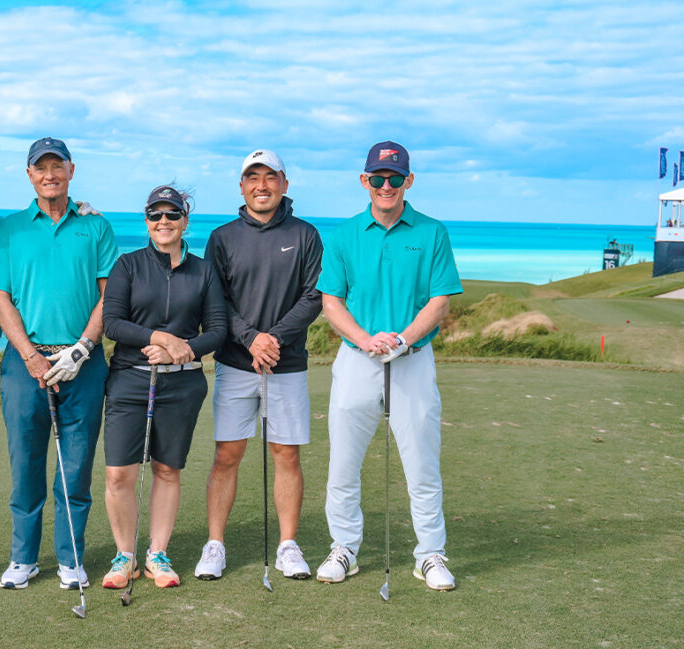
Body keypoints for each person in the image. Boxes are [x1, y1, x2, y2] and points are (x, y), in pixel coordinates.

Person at [315, 140, 462, 591]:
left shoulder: (432, 232)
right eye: (377, 178)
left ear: (408, 181)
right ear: (365, 180)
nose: (386, 186)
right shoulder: (344, 235)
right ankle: (344, 548)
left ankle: (430, 554)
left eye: (395, 178)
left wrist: (403, 339)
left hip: (412, 360)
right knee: (343, 464)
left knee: (422, 465)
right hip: (357, 359)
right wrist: (365, 339)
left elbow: (439, 301)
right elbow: (331, 302)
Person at [0, 137, 119, 590]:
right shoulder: (11, 229)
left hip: (83, 363)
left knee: (76, 467)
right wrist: (29, 355)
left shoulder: (95, 226)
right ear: (30, 175)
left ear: (71, 171)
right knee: (25, 465)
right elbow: (1, 297)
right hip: (25, 363)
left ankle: (70, 558)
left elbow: (109, 295)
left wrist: (82, 348)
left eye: (57, 166)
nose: (50, 175)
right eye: (40, 168)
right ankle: (23, 558)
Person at [195, 150, 323, 581]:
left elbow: (313, 296)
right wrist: (252, 338)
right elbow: (216, 301)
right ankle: (215, 545)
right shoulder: (222, 237)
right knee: (227, 454)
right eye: (253, 177)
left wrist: (274, 339)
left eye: (271, 177)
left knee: (286, 453)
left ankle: (288, 545)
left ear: (284, 184)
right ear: (242, 186)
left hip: (286, 365)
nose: (262, 185)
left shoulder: (306, 235)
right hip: (235, 363)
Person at [100, 186, 227, 590]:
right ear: (147, 222)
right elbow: (112, 323)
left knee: (167, 469)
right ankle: (125, 556)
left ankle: (157, 554)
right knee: (119, 473)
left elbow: (218, 330)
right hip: (129, 379)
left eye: (172, 214)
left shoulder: (203, 270)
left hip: (182, 384)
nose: (164, 222)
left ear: (185, 221)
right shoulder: (128, 265)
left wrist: (182, 349)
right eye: (155, 215)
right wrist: (160, 338)